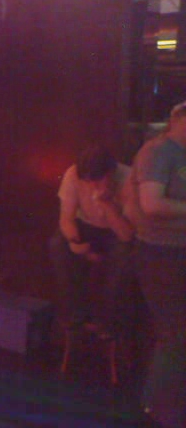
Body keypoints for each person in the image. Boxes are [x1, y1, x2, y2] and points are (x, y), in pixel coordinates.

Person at [125, 101, 186, 428]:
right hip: (160, 254)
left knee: (177, 335)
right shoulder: (159, 151)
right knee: (176, 335)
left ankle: (161, 406)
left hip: (177, 252)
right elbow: (151, 204)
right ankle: (161, 412)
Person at [48, 143, 135, 335]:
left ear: (111, 171)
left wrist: (106, 203)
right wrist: (75, 242)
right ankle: (74, 313)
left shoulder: (128, 178)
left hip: (115, 230)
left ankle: (107, 320)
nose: (92, 186)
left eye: (97, 179)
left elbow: (126, 234)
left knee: (125, 255)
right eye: (87, 181)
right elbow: (66, 218)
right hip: (85, 226)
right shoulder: (73, 174)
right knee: (58, 245)